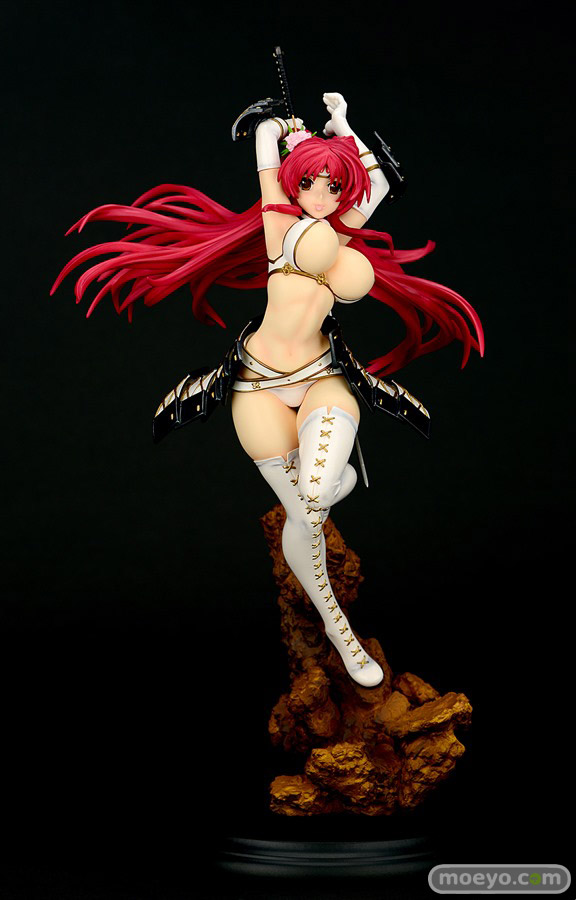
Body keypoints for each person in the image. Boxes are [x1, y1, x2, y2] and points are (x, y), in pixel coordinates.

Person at [52, 92, 484, 688]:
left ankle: (338, 483)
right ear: (293, 183)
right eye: (310, 183)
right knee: (306, 514)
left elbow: (379, 180)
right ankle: (340, 632)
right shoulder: (279, 223)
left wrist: (343, 126)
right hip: (256, 387)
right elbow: (262, 147)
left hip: (322, 377)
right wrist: (278, 125)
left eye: (334, 186)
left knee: (316, 494)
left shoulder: (345, 229)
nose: (323, 196)